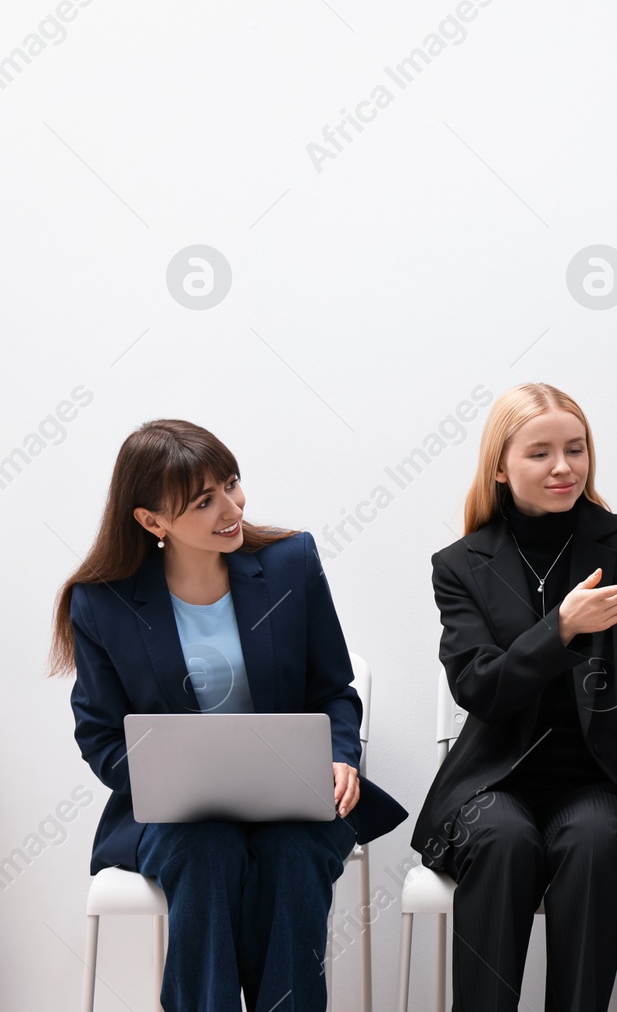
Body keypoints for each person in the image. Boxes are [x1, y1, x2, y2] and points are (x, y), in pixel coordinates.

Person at [53, 418, 407, 1012]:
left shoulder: (292, 562)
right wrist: (166, 782)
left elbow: (333, 690)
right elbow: (100, 734)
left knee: (293, 853)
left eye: (232, 484)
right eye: (203, 501)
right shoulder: (101, 602)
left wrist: (340, 755)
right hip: (178, 817)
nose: (231, 507)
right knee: (206, 850)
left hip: (293, 796)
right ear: (151, 521)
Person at [409, 383, 617, 1012]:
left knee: (593, 844)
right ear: (500, 467)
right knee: (503, 841)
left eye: (576, 449)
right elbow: (478, 686)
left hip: (603, 780)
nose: (564, 467)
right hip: (490, 782)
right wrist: (562, 627)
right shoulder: (460, 564)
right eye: (541, 453)